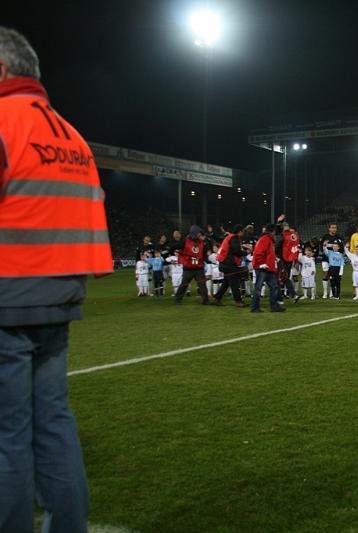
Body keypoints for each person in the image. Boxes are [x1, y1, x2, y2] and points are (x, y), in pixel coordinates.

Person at [0, 26, 113, 532]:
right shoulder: (71, 136)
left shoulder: (5, 122)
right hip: (59, 296)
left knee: (7, 435)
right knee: (53, 423)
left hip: (6, 296)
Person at [251, 224, 284, 313]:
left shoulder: (267, 239)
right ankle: (255, 307)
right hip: (262, 268)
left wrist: (274, 259)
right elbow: (259, 252)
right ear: (273, 231)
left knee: (274, 287)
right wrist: (261, 263)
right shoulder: (265, 239)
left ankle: (274, 306)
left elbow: (267, 253)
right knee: (259, 287)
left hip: (268, 267)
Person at [213, 225, 247, 308]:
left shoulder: (230, 237)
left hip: (224, 263)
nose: (243, 233)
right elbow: (236, 251)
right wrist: (246, 252)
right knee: (234, 283)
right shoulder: (234, 238)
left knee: (226, 282)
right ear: (239, 231)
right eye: (243, 231)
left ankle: (217, 298)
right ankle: (238, 301)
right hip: (229, 264)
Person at [174, 225, 209, 305]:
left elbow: (204, 254)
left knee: (202, 284)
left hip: (198, 268)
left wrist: (201, 259)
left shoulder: (202, 242)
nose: (199, 235)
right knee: (184, 284)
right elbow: (178, 248)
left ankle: (205, 300)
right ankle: (177, 299)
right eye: (198, 233)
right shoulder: (185, 241)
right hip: (188, 268)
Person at [319, 224, 344, 300]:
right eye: (332, 228)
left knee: (333, 276)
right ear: (329, 229)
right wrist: (324, 247)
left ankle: (331, 293)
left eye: (335, 228)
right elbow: (321, 247)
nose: (334, 229)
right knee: (325, 274)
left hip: (335, 260)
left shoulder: (339, 237)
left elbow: (341, 249)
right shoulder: (325, 237)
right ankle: (325, 292)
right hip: (326, 259)